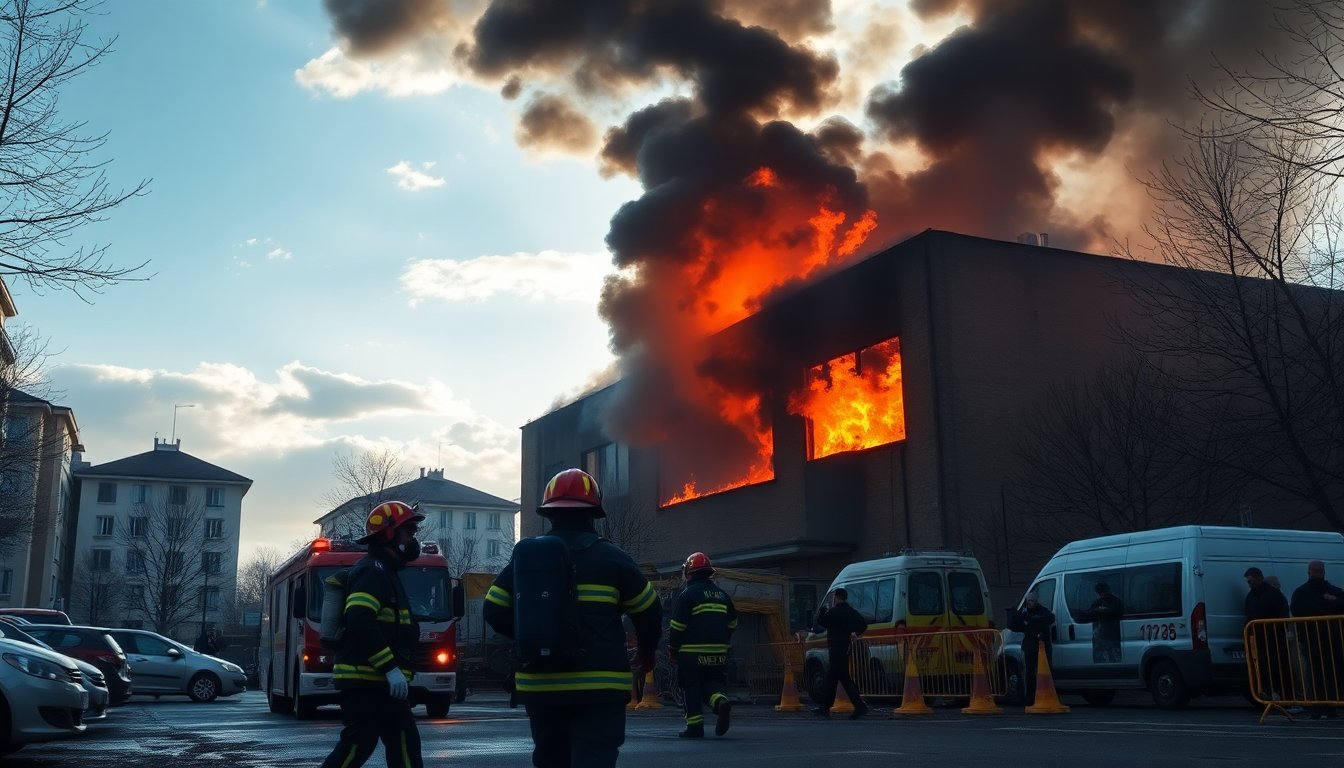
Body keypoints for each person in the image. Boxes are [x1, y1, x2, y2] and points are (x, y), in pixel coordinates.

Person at [483, 468, 662, 768]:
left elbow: (493, 609)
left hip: (541, 687)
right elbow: (649, 612)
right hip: (599, 690)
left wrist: (535, 637)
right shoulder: (614, 559)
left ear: (548, 514)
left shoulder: (526, 559)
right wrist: (646, 654)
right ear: (594, 513)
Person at [320, 500, 426, 768]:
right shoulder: (371, 571)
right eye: (410, 532)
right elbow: (360, 619)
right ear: (388, 534)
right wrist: (390, 668)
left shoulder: (386, 572)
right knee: (358, 744)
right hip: (367, 681)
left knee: (404, 743)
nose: (414, 539)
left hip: (380, 683)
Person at [668, 551, 738, 738]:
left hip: (691, 654)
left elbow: (677, 626)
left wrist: (672, 649)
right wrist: (723, 640)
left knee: (691, 686)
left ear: (689, 573)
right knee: (713, 683)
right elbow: (733, 623)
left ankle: (694, 727)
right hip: (719, 653)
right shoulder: (722, 595)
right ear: (708, 572)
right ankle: (721, 702)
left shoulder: (687, 595)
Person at [1290, 560, 1344, 719]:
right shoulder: (1333, 591)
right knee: (1331, 673)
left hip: (1313, 638)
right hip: (1330, 637)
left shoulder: (1300, 592)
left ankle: (1319, 706)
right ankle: (1330, 705)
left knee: (1315, 673)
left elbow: (1296, 611)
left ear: (1309, 572)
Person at [810, 587, 869, 719]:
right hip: (845, 647)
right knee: (836, 677)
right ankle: (826, 707)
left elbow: (821, 621)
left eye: (834, 597)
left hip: (835, 648)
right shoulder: (850, 611)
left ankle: (859, 706)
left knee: (840, 677)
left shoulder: (834, 611)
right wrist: (854, 632)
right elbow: (863, 625)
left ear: (836, 597)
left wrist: (823, 610)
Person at [1244, 567, 1291, 699]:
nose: (1250, 584)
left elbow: (1283, 613)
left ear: (1259, 578)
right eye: (1248, 582)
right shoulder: (1251, 596)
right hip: (1259, 639)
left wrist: (1278, 630)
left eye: (1251, 581)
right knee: (1264, 669)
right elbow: (1248, 616)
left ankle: (1285, 697)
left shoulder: (1273, 594)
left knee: (1279, 668)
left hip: (1274, 638)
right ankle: (1269, 695)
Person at [1008, 593, 1055, 705]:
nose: (1030, 603)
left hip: (1041, 646)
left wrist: (1031, 620)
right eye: (1028, 601)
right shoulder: (1024, 612)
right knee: (1029, 673)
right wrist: (1023, 621)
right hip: (1029, 646)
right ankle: (1030, 697)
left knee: (1045, 671)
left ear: (1036, 601)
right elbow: (1013, 624)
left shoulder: (1042, 611)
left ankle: (1046, 695)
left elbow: (1049, 618)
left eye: (1032, 601)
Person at [1078, 582, 1123, 663]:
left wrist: (1098, 611)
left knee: (1111, 659)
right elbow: (1090, 614)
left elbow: (1113, 612)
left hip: (1109, 636)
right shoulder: (1101, 602)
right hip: (1106, 636)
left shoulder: (1113, 602)